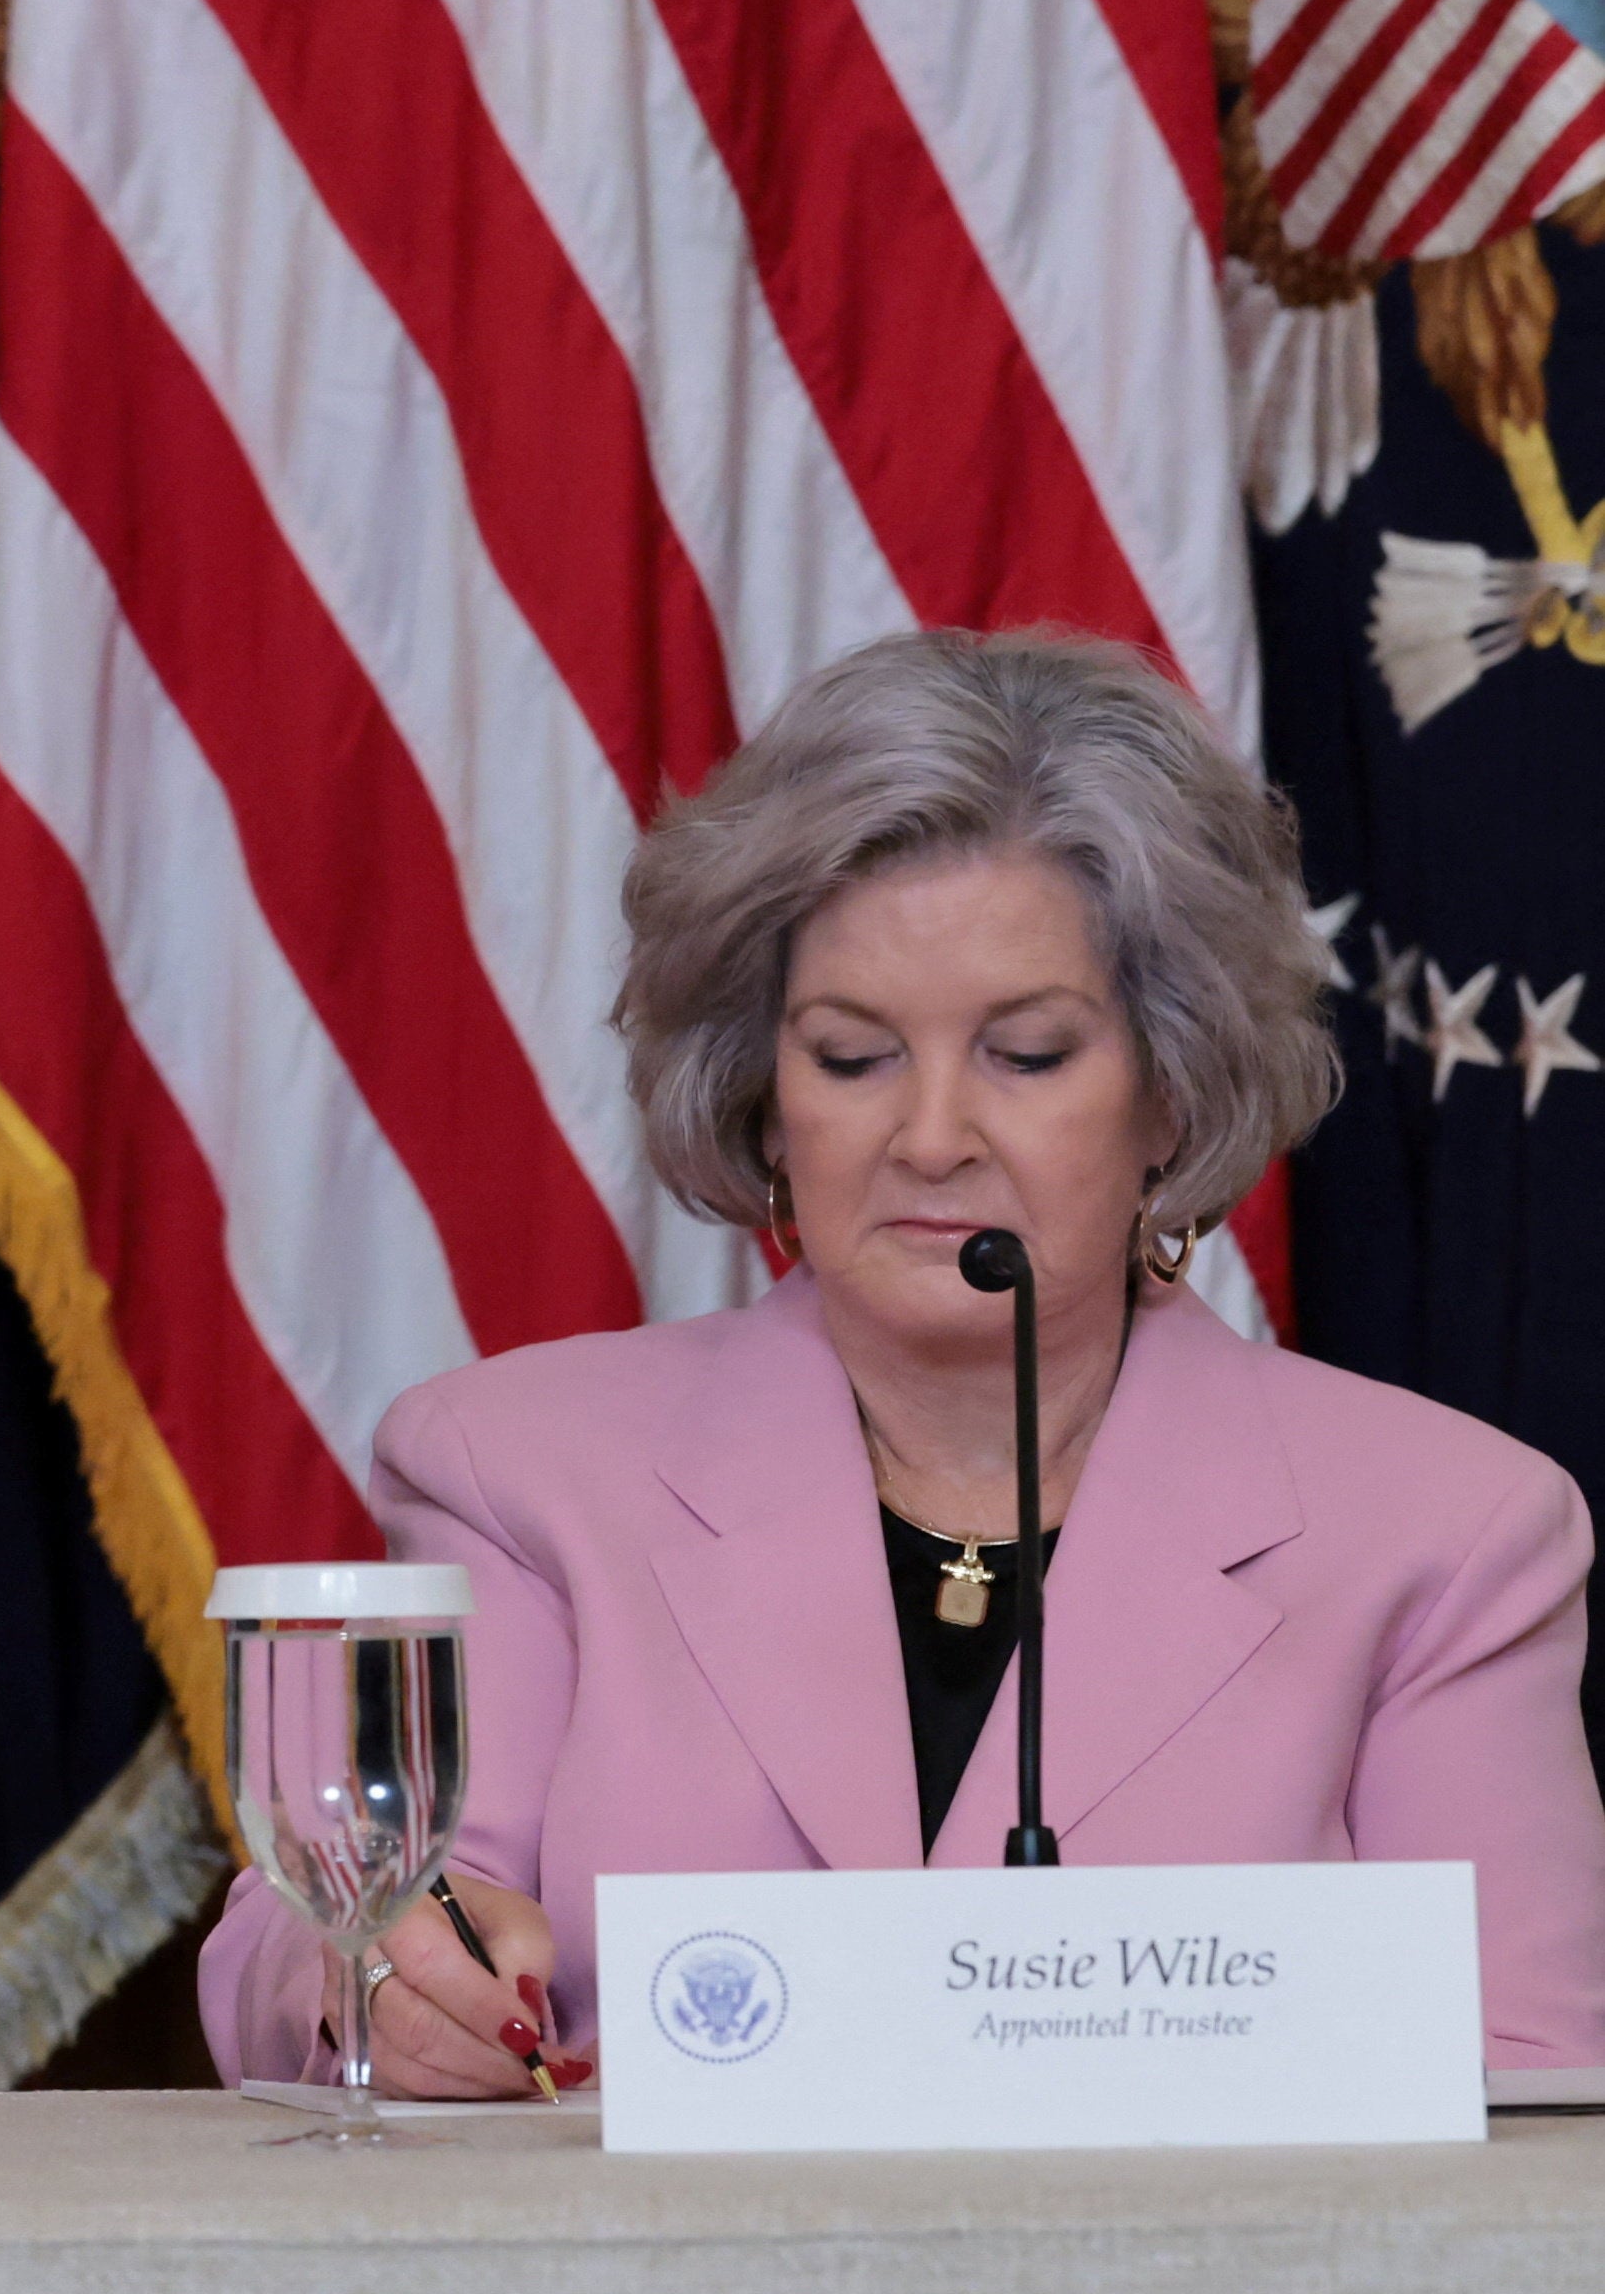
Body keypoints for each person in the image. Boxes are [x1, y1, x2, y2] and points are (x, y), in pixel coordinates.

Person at [204, 628, 1605, 2088]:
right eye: (851, 1056)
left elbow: (1528, 2074)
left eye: (1027, 1054)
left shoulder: (1446, 1532)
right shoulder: (519, 1472)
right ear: (762, 1102)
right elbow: (299, 1954)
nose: (929, 1136)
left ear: (1173, 1100)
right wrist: (377, 1976)